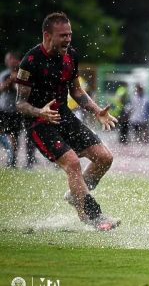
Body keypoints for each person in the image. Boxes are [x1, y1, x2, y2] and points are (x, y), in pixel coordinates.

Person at [15, 12, 120, 231]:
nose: (68, 39)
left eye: (70, 34)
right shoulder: (30, 61)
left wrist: (96, 110)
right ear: (47, 35)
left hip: (64, 117)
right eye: (63, 35)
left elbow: (76, 90)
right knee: (72, 163)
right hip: (39, 124)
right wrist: (40, 112)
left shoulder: (71, 55)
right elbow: (20, 104)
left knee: (104, 158)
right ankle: (93, 216)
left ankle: (76, 195)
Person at [0, 51, 22, 167]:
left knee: (15, 136)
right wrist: (11, 80)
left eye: (13, 59)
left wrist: (16, 80)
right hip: (3, 110)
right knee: (5, 136)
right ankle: (10, 157)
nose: (12, 62)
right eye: (9, 59)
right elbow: (1, 89)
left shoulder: (22, 74)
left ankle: (12, 160)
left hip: (16, 111)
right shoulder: (5, 75)